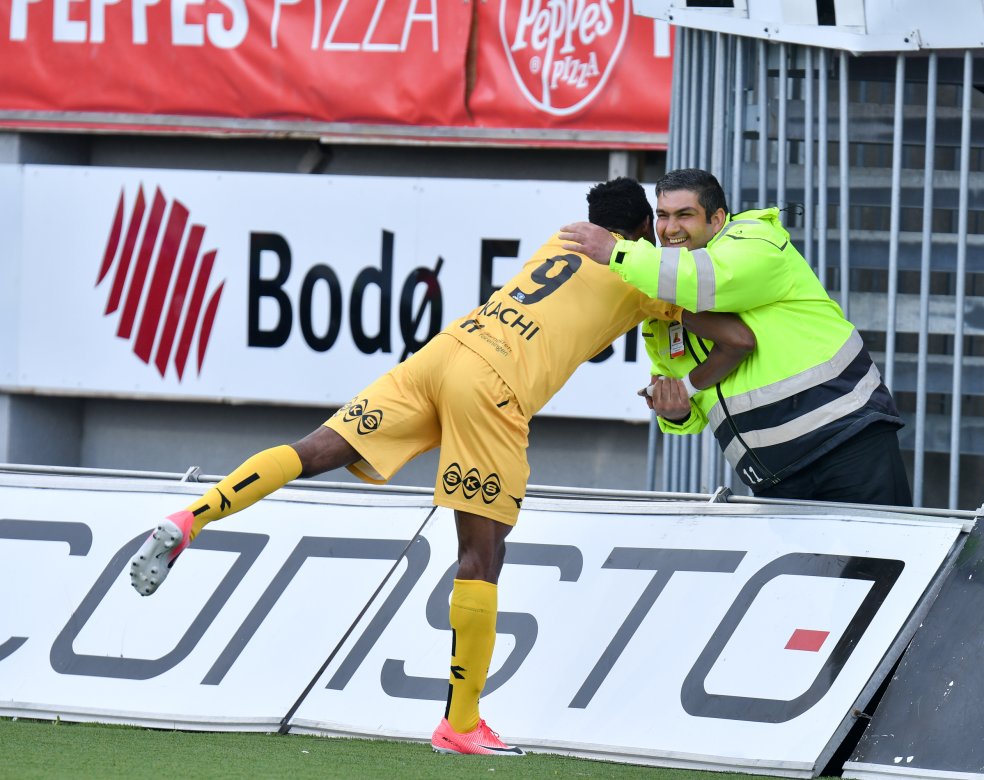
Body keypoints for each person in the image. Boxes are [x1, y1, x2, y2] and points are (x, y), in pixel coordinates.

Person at [127, 176, 756, 756]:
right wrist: (696, 363)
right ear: (643, 228)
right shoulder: (645, 276)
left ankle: (192, 516)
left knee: (313, 450)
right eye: (659, 224)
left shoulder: (558, 244)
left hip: (442, 354)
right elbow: (736, 334)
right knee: (482, 555)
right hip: (493, 387)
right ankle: (460, 723)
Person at [560, 168, 910, 506]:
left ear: (717, 219)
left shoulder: (752, 239)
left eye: (685, 215)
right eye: (663, 216)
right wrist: (675, 413)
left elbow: (706, 281)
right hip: (775, 477)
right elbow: (689, 406)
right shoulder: (664, 303)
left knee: (881, 550)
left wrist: (617, 252)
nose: (670, 228)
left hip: (845, 439)